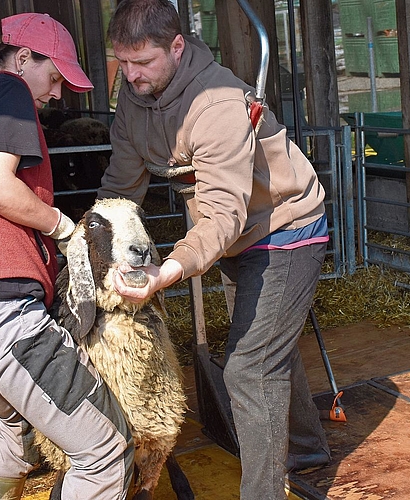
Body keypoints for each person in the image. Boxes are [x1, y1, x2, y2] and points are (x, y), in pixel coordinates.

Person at [100, 1, 331, 498]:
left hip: (285, 226)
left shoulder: (218, 102)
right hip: (234, 236)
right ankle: (306, 447)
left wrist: (169, 271)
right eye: (123, 61)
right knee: (266, 344)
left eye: (143, 62)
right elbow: (121, 185)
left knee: (250, 367)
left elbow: (225, 213)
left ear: (176, 47)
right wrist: (94, 242)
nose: (131, 75)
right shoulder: (135, 95)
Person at [0, 12, 133, 500]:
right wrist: (62, 228)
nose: (57, 94)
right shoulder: (7, 89)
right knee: (106, 449)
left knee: (19, 427)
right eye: (53, 77)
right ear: (21, 58)